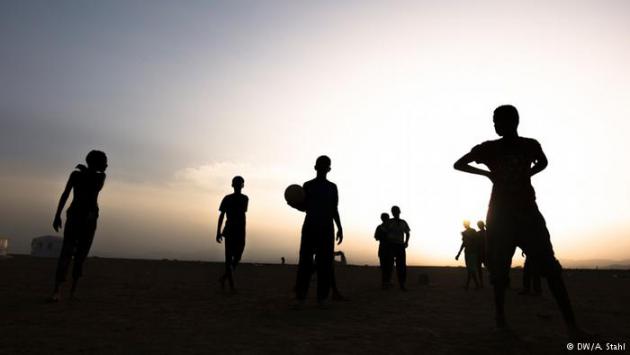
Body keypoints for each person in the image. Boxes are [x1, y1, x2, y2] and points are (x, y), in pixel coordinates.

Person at [454, 105, 579, 334]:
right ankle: (500, 319)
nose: (495, 125)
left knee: (550, 268)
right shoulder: (490, 148)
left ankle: (571, 325)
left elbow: (543, 161)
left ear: (513, 121)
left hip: (527, 213)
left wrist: (528, 174)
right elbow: (459, 164)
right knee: (499, 271)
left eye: (498, 120)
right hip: (501, 216)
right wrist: (487, 174)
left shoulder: (529, 145)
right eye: (494, 121)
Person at [50, 150, 108, 302]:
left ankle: (69, 292)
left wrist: (85, 171)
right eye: (104, 161)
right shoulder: (77, 175)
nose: (107, 164)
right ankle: (58, 291)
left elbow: (95, 187)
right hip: (79, 216)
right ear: (96, 162)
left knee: (79, 255)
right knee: (68, 252)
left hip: (86, 218)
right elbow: (65, 194)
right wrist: (57, 215)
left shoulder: (98, 176)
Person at [288, 155, 343, 307]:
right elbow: (304, 207)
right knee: (305, 261)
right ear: (316, 167)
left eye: (325, 165)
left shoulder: (332, 187)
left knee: (324, 264)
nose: (323, 167)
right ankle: (301, 297)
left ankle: (322, 298)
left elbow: (334, 209)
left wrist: (339, 227)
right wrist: (293, 204)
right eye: (321, 164)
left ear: (329, 169)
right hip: (311, 226)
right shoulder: (307, 185)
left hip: (326, 228)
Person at [216, 176, 248, 291]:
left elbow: (240, 213)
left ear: (242, 185)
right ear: (233, 185)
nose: (239, 185)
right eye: (237, 183)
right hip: (230, 230)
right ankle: (232, 286)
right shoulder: (227, 198)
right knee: (229, 259)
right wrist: (218, 232)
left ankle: (224, 278)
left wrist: (219, 232)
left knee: (237, 257)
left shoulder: (245, 198)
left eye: (240, 183)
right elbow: (222, 215)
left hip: (239, 231)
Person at [384, 206, 410, 291]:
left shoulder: (403, 222)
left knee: (401, 265)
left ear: (399, 212)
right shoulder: (389, 222)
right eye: (394, 211)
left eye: (397, 211)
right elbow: (384, 233)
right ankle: (387, 283)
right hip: (391, 245)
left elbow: (407, 233)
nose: (395, 213)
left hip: (400, 246)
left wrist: (406, 242)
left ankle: (402, 284)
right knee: (389, 265)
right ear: (392, 212)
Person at [455, 220, 480, 290]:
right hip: (468, 252)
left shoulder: (472, 231)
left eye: (464, 224)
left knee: (471, 269)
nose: (464, 225)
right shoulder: (465, 233)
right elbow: (463, 244)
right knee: (470, 269)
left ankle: (468, 285)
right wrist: (458, 254)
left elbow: (475, 241)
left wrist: (466, 236)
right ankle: (474, 285)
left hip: (473, 252)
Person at [374, 213, 392, 289]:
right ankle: (385, 282)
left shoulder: (391, 227)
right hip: (383, 249)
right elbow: (376, 237)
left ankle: (388, 282)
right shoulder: (380, 227)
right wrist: (384, 236)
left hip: (390, 249)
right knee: (384, 267)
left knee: (390, 266)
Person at [475, 220, 487, 287]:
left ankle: (481, 283)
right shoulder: (486, 233)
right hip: (481, 253)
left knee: (480, 269)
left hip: (483, 253)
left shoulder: (481, 233)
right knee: (479, 269)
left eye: (479, 225)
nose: (478, 226)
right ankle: (481, 283)